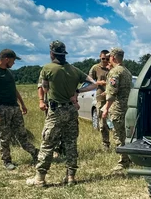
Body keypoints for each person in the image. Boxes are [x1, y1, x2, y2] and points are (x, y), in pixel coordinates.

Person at [27, 41, 101, 187]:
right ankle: (71, 177)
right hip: (72, 111)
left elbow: (45, 89)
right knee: (71, 144)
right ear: (64, 53)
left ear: (52, 53)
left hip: (56, 111)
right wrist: (77, 91)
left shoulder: (47, 68)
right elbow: (94, 84)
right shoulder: (74, 70)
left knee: (48, 144)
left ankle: (40, 179)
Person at [0, 49, 39, 170]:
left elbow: (14, 89)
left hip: (14, 107)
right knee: (4, 135)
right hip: (1, 109)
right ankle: (7, 161)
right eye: (13, 60)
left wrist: (22, 104)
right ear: (6, 59)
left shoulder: (8, 72)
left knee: (22, 133)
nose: (14, 63)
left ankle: (35, 153)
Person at [101, 48, 133, 172]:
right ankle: (128, 157)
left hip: (118, 108)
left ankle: (123, 161)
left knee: (118, 135)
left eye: (109, 57)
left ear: (113, 57)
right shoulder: (127, 71)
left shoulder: (115, 72)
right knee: (125, 134)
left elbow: (113, 93)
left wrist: (106, 109)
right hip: (127, 107)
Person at [88, 50, 111, 150]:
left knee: (116, 121)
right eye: (103, 59)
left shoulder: (112, 68)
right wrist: (98, 82)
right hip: (101, 97)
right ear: (100, 57)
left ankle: (120, 143)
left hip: (112, 97)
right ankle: (105, 143)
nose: (105, 61)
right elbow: (89, 80)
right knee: (102, 122)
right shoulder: (95, 68)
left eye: (107, 59)